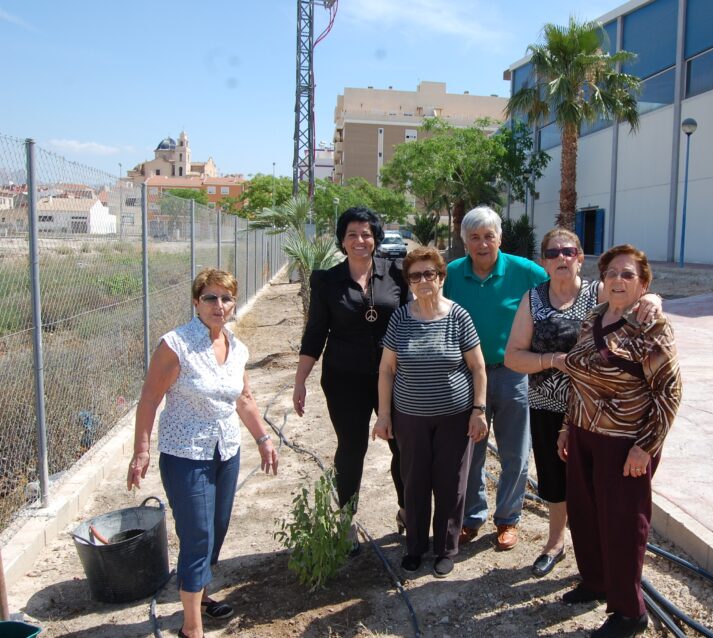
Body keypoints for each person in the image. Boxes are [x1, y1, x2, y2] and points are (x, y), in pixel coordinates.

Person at [127, 268, 279, 638]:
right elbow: (150, 398)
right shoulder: (176, 345)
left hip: (226, 452)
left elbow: (244, 399)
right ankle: (191, 628)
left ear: (233, 304)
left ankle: (202, 594)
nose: (218, 305)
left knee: (217, 529)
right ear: (196, 302)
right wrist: (141, 449)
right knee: (197, 534)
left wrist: (263, 439)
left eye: (226, 298)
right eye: (210, 297)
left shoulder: (237, 347)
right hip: (185, 454)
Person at [503, 228, 661, 577]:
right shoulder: (533, 299)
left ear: (580, 257)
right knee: (554, 480)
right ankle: (555, 542)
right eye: (553, 252)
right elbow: (513, 356)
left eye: (569, 251)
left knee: (596, 485)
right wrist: (553, 360)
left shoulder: (600, 292)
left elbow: (637, 296)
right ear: (543, 261)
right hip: (547, 405)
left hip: (598, 411)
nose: (562, 258)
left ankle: (598, 553)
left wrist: (656, 300)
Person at [558, 245, 681, 638]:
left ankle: (630, 612)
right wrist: (566, 426)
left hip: (625, 442)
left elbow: (670, 392)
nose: (618, 280)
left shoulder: (652, 325)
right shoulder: (594, 315)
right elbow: (578, 374)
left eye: (628, 275)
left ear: (644, 284)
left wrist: (645, 447)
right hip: (582, 432)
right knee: (585, 514)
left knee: (623, 526)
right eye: (612, 273)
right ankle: (595, 582)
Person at [294, 207, 408, 550]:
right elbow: (315, 333)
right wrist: (300, 381)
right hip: (344, 378)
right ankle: (346, 520)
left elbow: (414, 320)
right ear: (342, 240)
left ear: (377, 238)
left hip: (394, 376)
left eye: (367, 234)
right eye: (352, 235)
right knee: (352, 447)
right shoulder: (327, 280)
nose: (360, 240)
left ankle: (408, 509)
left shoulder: (397, 274)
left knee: (402, 445)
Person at [372, 247, 488, 578]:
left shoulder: (459, 316)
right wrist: (384, 415)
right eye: (416, 275)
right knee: (415, 483)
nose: (423, 280)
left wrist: (478, 409)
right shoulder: (400, 318)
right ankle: (415, 547)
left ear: (441, 277)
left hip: (455, 417)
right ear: (408, 281)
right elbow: (386, 370)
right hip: (410, 418)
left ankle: (445, 548)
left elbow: (478, 368)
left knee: (451, 484)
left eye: (430, 274)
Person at [443, 206, 548, 551]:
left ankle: (508, 519)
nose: (483, 243)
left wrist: (647, 296)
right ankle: (472, 518)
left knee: (515, 452)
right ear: (465, 242)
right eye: (474, 237)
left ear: (499, 238)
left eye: (489, 236)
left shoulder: (525, 271)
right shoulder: (453, 274)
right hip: (467, 377)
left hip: (513, 375)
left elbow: (566, 289)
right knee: (468, 451)